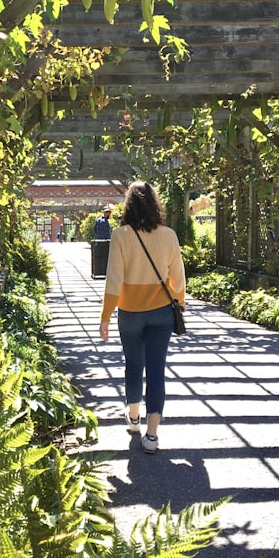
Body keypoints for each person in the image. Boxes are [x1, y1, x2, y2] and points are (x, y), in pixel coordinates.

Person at [98, 182, 185, 454]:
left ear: (128, 205)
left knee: (134, 366)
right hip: (161, 313)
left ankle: (134, 418)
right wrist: (179, 303)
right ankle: (152, 435)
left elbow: (114, 280)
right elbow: (178, 277)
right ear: (155, 204)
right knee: (156, 370)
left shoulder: (121, 235)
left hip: (130, 313)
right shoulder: (169, 235)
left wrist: (105, 317)